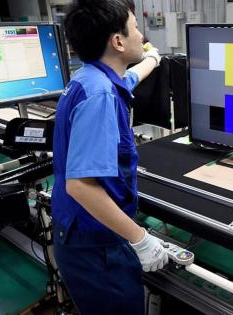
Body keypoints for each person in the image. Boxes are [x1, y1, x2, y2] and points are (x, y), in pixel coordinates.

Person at [51, 0, 168, 314]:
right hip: (94, 243)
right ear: (118, 41)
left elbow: (129, 79)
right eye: (134, 27)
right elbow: (81, 186)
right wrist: (140, 238)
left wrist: (153, 59)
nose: (141, 34)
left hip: (77, 231)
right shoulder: (100, 96)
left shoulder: (91, 78)